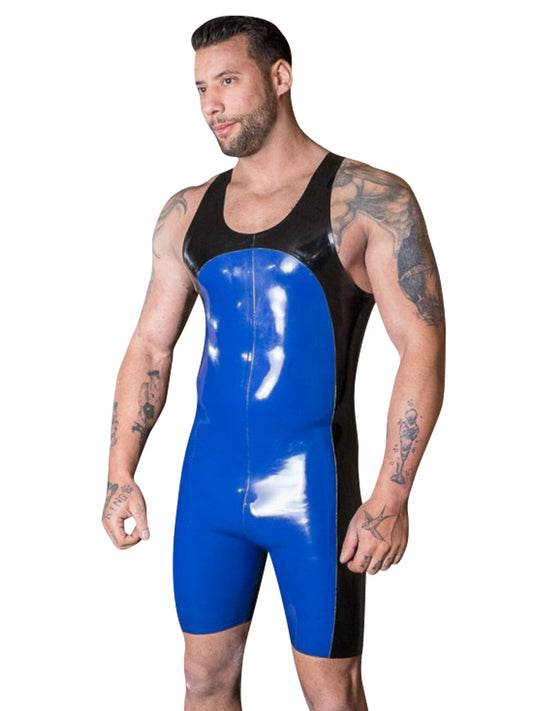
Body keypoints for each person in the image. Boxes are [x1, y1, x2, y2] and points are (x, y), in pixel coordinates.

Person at [101, 15, 445, 711]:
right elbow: (150, 346)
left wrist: (391, 495)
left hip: (311, 489)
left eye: (228, 81)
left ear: (280, 77)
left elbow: (421, 344)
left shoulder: (369, 199)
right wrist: (119, 472)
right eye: (201, 89)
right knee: (203, 680)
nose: (212, 105)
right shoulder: (185, 212)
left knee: (330, 692)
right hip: (209, 486)